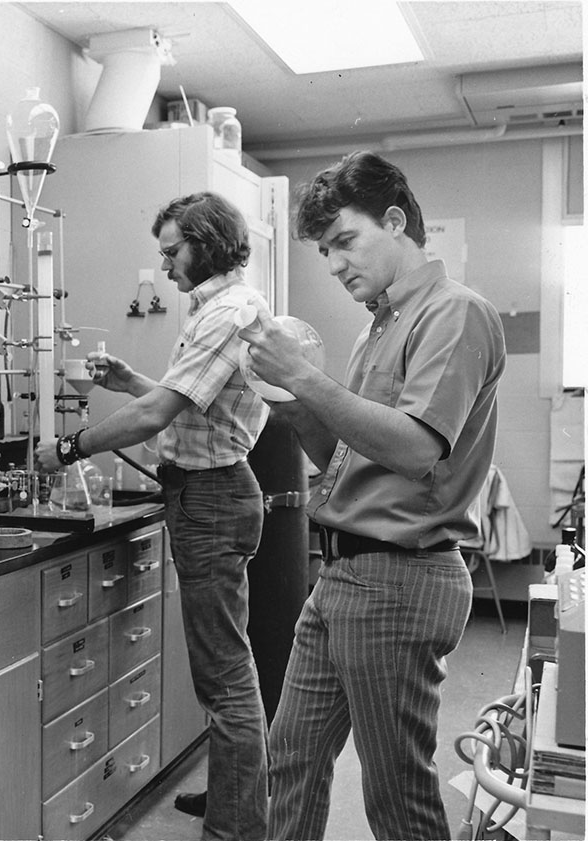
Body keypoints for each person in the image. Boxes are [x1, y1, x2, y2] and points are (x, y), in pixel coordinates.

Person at [237, 150, 506, 840]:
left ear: (395, 220)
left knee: (396, 795)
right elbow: (347, 458)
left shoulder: (456, 313)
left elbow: (416, 449)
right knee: (290, 758)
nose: (335, 263)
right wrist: (293, 403)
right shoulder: (374, 329)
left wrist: (305, 377)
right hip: (343, 573)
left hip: (400, 577)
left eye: (345, 242)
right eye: (325, 251)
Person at [37, 191, 271, 841]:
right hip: (207, 493)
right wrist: (133, 378)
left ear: (206, 242)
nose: (165, 264)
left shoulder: (229, 312)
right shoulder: (215, 311)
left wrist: (67, 447)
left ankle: (237, 825)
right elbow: (185, 402)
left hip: (212, 497)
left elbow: (154, 417)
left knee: (225, 676)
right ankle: (232, 794)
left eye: (172, 251)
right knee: (222, 666)